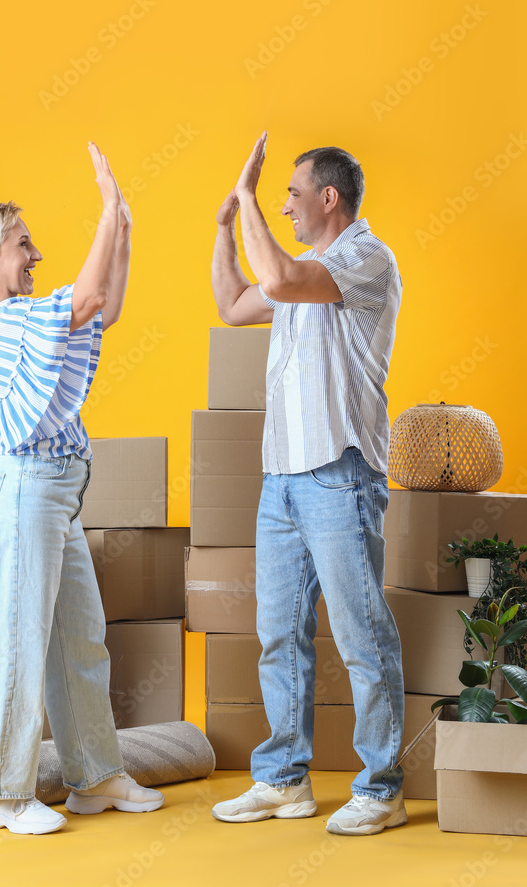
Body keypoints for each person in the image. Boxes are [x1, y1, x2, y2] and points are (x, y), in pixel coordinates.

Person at [0, 142, 164, 835]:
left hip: (53, 498)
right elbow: (86, 297)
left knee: (79, 638)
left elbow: (102, 305)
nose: (33, 253)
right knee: (18, 640)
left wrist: (121, 229)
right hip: (21, 492)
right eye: (22, 243)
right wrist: (107, 210)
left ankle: (95, 777)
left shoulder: (28, 318)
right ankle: (2, 796)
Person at [210, 133, 406, 836]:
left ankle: (380, 788)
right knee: (278, 635)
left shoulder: (361, 259)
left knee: (361, 635)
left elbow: (284, 280)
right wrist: (227, 228)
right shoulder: (301, 268)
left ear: (328, 198)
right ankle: (282, 781)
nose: (284, 206)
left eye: (291, 195)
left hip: (337, 473)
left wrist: (246, 196)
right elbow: (234, 304)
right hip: (282, 480)